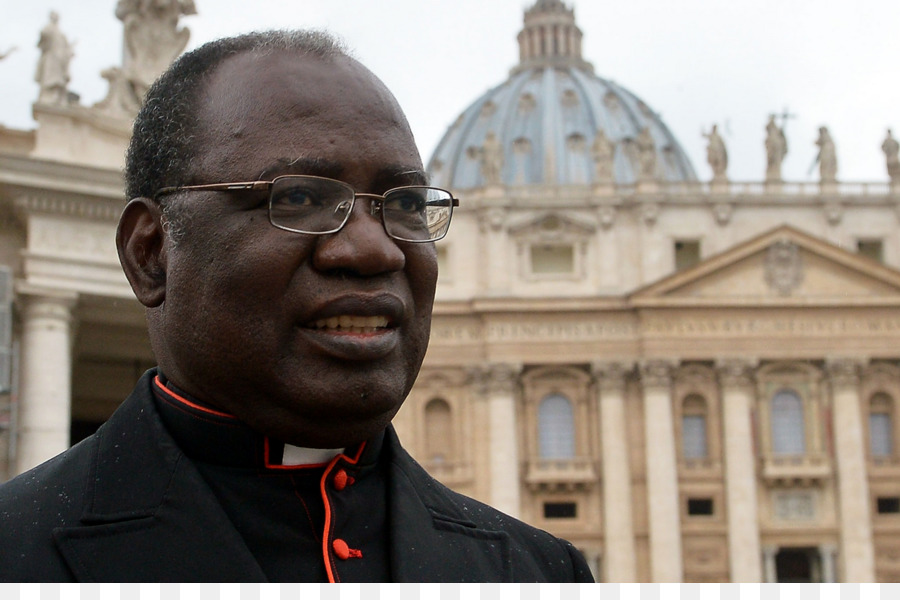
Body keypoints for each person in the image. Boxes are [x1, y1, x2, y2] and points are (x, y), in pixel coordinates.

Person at [0, 30, 593, 583]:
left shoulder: (539, 571)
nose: (374, 249)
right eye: (301, 197)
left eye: (406, 203)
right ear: (151, 253)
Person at [34, 11, 74, 105]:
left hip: (59, 58)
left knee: (58, 78)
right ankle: (49, 96)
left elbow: (67, 48)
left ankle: (56, 96)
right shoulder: (48, 28)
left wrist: (69, 51)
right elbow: (42, 40)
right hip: (51, 57)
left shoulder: (61, 34)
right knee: (50, 77)